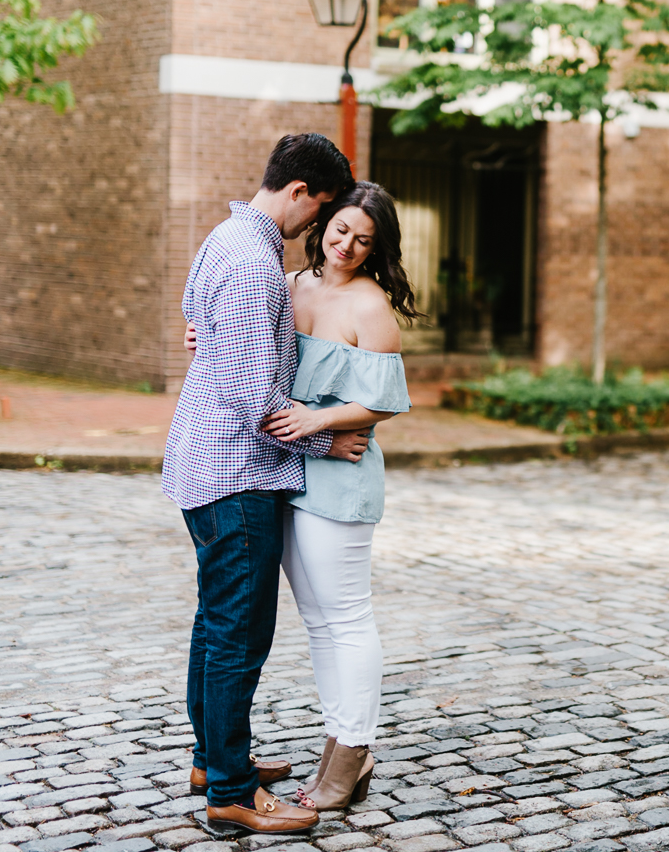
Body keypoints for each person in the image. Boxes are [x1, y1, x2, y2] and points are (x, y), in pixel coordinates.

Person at [162, 133, 365, 836]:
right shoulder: (253, 263)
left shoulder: (225, 237)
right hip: (236, 474)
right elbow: (257, 397)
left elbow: (195, 317)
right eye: (321, 210)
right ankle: (231, 793)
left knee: (213, 621)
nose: (317, 226)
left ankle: (213, 756)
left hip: (206, 463)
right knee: (237, 634)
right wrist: (329, 433)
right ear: (301, 191)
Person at [257, 181, 422, 810]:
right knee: (319, 623)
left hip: (340, 478)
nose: (347, 245)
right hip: (289, 472)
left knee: (347, 619)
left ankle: (352, 750)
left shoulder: (369, 305)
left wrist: (319, 422)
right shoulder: (291, 286)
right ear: (323, 223)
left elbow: (384, 400)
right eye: (341, 229)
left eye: (364, 239)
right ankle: (341, 745)